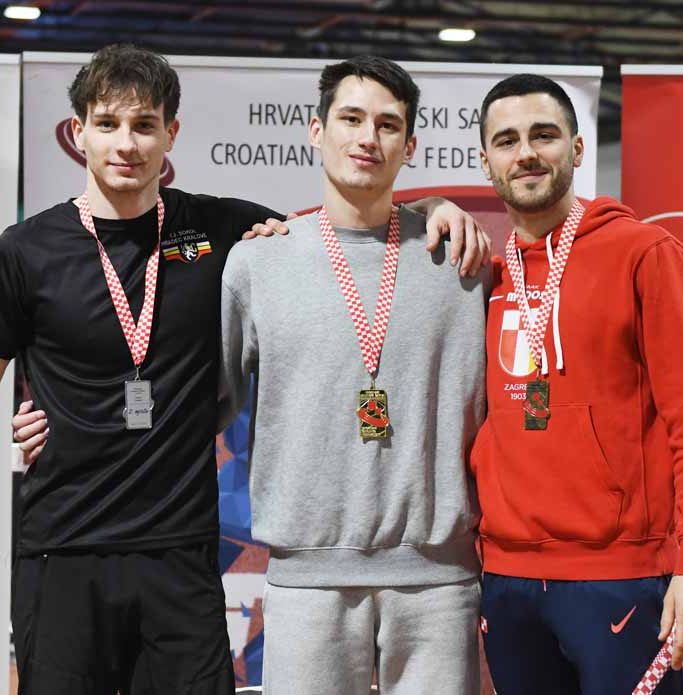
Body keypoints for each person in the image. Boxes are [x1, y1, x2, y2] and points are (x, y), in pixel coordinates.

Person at [3, 45, 487, 694]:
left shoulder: (221, 227)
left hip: (180, 552)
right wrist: (14, 436)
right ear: (78, 131)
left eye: (144, 125)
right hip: (63, 546)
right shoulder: (26, 249)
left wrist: (434, 205)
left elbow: (351, 221)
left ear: (171, 133)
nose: (126, 143)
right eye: (108, 124)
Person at [220, 55, 488, 695]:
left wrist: (438, 206)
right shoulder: (259, 262)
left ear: (410, 146)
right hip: (307, 578)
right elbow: (201, 406)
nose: (368, 137)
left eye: (388, 125)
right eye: (351, 118)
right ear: (317, 131)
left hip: (438, 582)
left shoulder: (461, 260)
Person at [471, 73, 683, 694]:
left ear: (576, 148)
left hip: (622, 576)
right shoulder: (487, 278)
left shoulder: (644, 254)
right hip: (508, 579)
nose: (526, 153)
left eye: (543, 135)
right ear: (486, 161)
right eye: (507, 141)